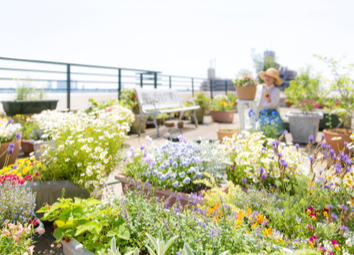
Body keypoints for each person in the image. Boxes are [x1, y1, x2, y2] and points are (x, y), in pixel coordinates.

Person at [254, 68, 285, 138]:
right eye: (266, 75)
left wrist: (267, 93)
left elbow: (271, 105)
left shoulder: (276, 90)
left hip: (269, 117)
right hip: (256, 115)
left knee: (269, 136)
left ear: (274, 79)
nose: (267, 78)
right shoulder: (259, 87)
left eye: (270, 76)